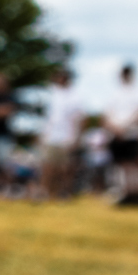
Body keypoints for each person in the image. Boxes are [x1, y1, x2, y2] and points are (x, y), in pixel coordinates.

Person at [104, 62, 138, 208]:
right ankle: (127, 194)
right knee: (122, 164)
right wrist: (114, 128)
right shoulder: (115, 93)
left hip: (133, 134)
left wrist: (125, 127)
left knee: (136, 164)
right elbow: (107, 115)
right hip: (117, 134)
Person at [38, 66, 83, 201]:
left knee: (65, 168)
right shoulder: (50, 94)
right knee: (48, 166)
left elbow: (80, 118)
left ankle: (64, 192)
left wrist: (76, 137)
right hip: (50, 137)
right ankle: (46, 192)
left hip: (67, 137)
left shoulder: (75, 96)